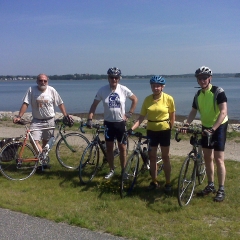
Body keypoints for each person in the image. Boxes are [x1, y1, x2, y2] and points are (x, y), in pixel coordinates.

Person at [181, 66, 228, 202]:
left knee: (219, 159)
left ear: (210, 78)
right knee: (207, 158)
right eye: (199, 78)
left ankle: (221, 189)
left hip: (219, 127)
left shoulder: (218, 91)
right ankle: (210, 185)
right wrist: (186, 125)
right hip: (205, 126)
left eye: (204, 78)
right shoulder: (198, 95)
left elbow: (223, 111)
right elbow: (193, 112)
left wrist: (213, 129)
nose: (202, 80)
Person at [86, 67, 138, 179]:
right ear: (108, 78)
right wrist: (90, 118)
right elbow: (94, 105)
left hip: (120, 123)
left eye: (116, 77)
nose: (114, 79)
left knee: (122, 148)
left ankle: (124, 171)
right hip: (108, 123)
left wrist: (129, 113)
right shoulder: (102, 90)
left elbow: (135, 99)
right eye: (111, 77)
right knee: (109, 148)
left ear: (119, 79)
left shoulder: (123, 89)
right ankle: (112, 169)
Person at [13, 73, 73, 168]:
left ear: (47, 81)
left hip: (50, 120)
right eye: (41, 80)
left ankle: (42, 162)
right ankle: (43, 159)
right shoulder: (31, 90)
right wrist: (19, 116)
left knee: (46, 142)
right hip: (37, 120)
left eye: (45, 80)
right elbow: (25, 103)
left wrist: (66, 115)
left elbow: (60, 103)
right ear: (37, 81)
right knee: (34, 140)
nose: (43, 82)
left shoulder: (52, 90)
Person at [128, 75, 175, 192]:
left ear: (162, 87)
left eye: (158, 86)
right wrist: (131, 128)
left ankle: (168, 182)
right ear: (151, 86)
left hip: (164, 131)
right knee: (152, 157)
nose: (156, 88)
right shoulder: (147, 100)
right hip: (151, 131)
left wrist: (170, 128)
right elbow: (141, 118)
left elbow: (172, 116)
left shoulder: (169, 98)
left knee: (165, 157)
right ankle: (154, 181)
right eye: (154, 86)